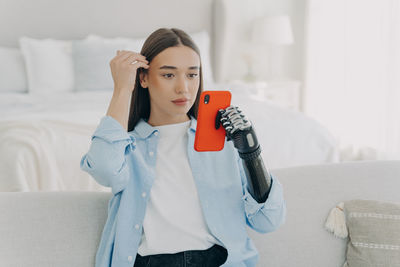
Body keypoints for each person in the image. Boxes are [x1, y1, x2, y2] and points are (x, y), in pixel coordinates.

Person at [80, 28, 286, 267]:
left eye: (192, 75)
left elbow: (268, 221)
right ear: (143, 78)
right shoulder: (126, 146)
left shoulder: (223, 142)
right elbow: (104, 169)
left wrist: (251, 153)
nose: (184, 88)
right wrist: (123, 89)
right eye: (169, 75)